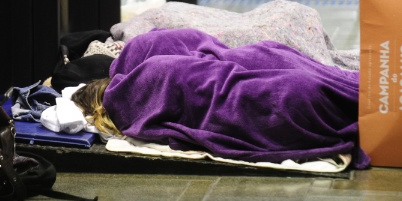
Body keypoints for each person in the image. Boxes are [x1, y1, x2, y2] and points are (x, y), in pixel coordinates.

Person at [71, 28, 370, 170]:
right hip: (268, 89)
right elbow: (200, 57)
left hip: (268, 95)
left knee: (302, 88)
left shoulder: (132, 103)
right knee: (305, 83)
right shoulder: (143, 72)